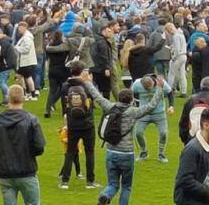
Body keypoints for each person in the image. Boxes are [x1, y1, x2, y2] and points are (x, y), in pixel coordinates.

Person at [80, 70, 165, 205]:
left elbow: (97, 97)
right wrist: (159, 88)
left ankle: (105, 195)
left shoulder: (110, 107)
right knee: (126, 186)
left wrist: (88, 83)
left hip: (111, 151)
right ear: (131, 100)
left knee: (112, 184)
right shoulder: (133, 112)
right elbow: (151, 106)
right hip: (127, 153)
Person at [0, 85, 46, 205]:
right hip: (27, 170)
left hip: (6, 173)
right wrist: (29, 153)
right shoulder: (31, 120)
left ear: (8, 98)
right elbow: (39, 146)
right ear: (23, 98)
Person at [58, 62, 97, 189]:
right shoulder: (86, 86)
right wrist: (90, 82)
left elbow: (64, 105)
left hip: (72, 123)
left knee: (70, 152)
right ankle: (90, 181)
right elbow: (94, 98)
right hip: (87, 123)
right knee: (89, 152)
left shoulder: (65, 86)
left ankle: (65, 181)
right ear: (82, 72)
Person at [132, 74, 174, 163]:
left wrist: (171, 106)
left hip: (159, 113)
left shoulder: (161, 83)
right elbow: (132, 93)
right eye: (146, 89)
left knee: (163, 133)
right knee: (138, 132)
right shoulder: (136, 84)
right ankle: (144, 152)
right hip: (143, 113)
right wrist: (136, 105)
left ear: (153, 83)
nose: (148, 91)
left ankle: (161, 154)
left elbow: (170, 93)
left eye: (150, 88)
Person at [45, 30, 69, 117]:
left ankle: (47, 110)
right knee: (64, 91)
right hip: (63, 70)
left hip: (52, 69)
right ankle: (64, 112)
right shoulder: (65, 47)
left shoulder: (50, 47)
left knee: (52, 91)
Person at [14, 22, 39, 99]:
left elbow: (26, 49)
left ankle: (31, 93)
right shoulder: (25, 36)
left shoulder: (27, 37)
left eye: (20, 28)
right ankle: (27, 92)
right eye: (18, 28)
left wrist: (17, 48)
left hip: (27, 61)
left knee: (27, 77)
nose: (19, 30)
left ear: (25, 27)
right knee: (21, 76)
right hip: (26, 61)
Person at [90, 24, 114, 99]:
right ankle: (106, 107)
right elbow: (104, 56)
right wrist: (107, 68)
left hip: (93, 68)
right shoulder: (103, 42)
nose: (111, 33)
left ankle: (90, 106)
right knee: (106, 89)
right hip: (102, 69)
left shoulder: (94, 40)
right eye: (109, 31)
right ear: (103, 31)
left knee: (92, 88)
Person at [166, 22, 188, 97]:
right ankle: (184, 91)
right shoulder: (181, 34)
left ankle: (168, 91)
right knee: (182, 74)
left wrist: (173, 57)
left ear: (171, 29)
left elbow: (177, 49)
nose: (169, 34)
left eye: (169, 31)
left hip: (179, 56)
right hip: (184, 55)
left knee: (171, 73)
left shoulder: (176, 36)